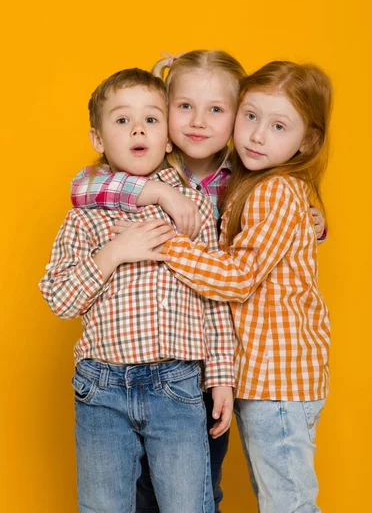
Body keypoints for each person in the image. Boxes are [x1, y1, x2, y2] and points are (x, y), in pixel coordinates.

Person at [71, 51, 327, 512]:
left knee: (197, 486)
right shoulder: (153, 167)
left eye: (217, 110)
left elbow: (256, 251)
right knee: (143, 485)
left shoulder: (245, 176)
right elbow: (83, 187)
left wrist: (313, 220)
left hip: (215, 360)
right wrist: (157, 192)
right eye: (183, 107)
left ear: (233, 118)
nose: (198, 122)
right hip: (144, 357)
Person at [39, 67, 236, 513]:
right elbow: (58, 298)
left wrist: (222, 374)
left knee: (189, 504)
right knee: (103, 505)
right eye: (122, 120)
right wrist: (113, 253)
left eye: (151, 118)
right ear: (97, 138)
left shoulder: (194, 208)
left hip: (177, 384)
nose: (137, 129)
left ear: (168, 137)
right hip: (101, 386)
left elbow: (215, 295)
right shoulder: (84, 214)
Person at [154, 60, 332, 513]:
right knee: (278, 497)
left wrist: (166, 245)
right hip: (267, 379)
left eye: (277, 126)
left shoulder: (274, 191)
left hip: (278, 380)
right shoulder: (252, 182)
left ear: (307, 141)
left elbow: (238, 277)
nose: (256, 134)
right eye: (250, 116)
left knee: (288, 504)